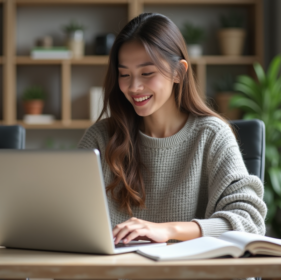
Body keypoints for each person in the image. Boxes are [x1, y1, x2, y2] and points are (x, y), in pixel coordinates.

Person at [78, 12, 267, 245]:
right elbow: (66, 213)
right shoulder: (100, 137)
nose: (134, 86)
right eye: (124, 74)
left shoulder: (211, 135)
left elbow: (250, 222)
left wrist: (169, 230)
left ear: (178, 72)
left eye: (147, 73)